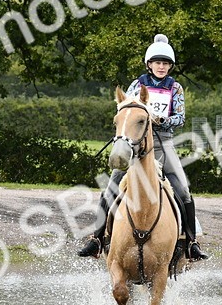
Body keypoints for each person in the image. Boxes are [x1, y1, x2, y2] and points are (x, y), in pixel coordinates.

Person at [77, 34, 209, 261]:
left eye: (166, 63)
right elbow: (126, 108)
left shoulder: (175, 88)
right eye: (158, 63)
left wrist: (161, 119)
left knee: (183, 190)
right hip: (135, 142)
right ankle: (96, 239)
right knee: (112, 186)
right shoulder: (136, 85)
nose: (161, 67)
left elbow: (180, 118)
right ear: (149, 64)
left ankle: (191, 244)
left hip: (163, 142)